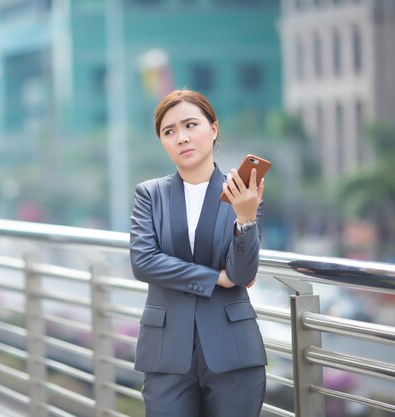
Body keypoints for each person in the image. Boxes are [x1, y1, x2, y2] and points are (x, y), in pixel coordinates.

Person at [129, 89, 267, 417]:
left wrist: (246, 218)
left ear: (214, 129)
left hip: (232, 351)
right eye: (169, 131)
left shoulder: (241, 192)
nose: (181, 138)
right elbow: (143, 262)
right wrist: (213, 278)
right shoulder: (150, 194)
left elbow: (242, 274)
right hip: (166, 354)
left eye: (191, 125)